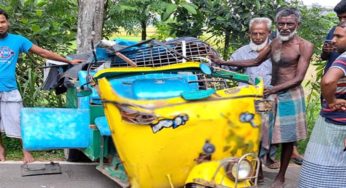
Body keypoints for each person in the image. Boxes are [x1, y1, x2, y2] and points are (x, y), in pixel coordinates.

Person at [209, 8, 313, 188]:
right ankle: (259, 171)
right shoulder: (275, 43)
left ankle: (281, 176)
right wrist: (222, 62)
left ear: (298, 25)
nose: (285, 27)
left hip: (290, 94)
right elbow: (254, 61)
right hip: (272, 93)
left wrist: (273, 90)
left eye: (290, 24)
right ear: (277, 24)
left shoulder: (304, 45)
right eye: (281, 24)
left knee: (288, 138)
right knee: (261, 133)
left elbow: (298, 78)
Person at [0, 9, 81, 163]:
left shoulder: (18, 40)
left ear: (8, 22)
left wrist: (68, 61)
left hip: (9, 89)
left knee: (19, 120)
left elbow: (43, 53)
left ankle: (26, 152)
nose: (0, 25)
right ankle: (1, 150)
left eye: (3, 21)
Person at [298, 21, 346, 188]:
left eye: (339, 36)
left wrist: (331, 101)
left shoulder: (345, 58)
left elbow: (327, 81)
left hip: (335, 123)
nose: (333, 40)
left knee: (320, 166)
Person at [321, 0, 346, 73]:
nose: (342, 20)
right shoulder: (334, 30)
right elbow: (324, 57)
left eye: (345, 17)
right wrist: (325, 52)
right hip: (329, 76)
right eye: (339, 18)